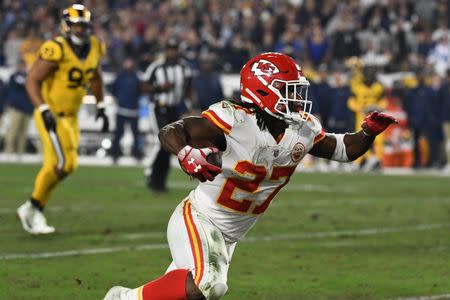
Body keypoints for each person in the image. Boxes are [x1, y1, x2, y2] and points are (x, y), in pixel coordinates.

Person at [104, 52, 396, 300]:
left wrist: (368, 132)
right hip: (200, 218)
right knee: (209, 286)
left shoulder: (301, 129)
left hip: (229, 235)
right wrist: (184, 153)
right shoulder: (234, 121)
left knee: (185, 293)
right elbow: (172, 130)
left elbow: (344, 149)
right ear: (264, 90)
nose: (296, 97)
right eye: (288, 89)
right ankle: (123, 298)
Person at [16, 4, 109, 235]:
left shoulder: (95, 46)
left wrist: (100, 105)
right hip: (52, 113)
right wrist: (44, 108)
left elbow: (95, 77)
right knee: (60, 164)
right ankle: (33, 208)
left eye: (83, 26)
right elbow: (32, 80)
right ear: (66, 26)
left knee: (70, 166)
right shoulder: (56, 48)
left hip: (72, 116)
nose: (80, 30)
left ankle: (32, 206)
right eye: (76, 26)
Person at [143, 37, 194, 193]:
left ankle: (160, 181)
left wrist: (191, 107)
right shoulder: (156, 67)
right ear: (165, 51)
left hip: (174, 109)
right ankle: (150, 173)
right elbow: (144, 87)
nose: (172, 52)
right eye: (169, 49)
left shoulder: (184, 68)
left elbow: (189, 89)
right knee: (161, 141)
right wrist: (159, 88)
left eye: (174, 49)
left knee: (171, 146)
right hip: (158, 108)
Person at [110, 57, 142, 162]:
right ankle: (115, 153)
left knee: (135, 134)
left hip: (133, 110)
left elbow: (140, 90)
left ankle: (136, 153)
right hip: (121, 109)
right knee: (118, 133)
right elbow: (113, 89)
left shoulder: (136, 77)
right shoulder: (120, 76)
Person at [3, 60, 34, 155]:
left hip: (27, 109)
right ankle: (8, 151)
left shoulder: (30, 77)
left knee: (23, 133)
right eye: (21, 65)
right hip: (16, 108)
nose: (23, 67)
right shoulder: (14, 76)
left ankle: (20, 153)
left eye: (24, 65)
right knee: (12, 130)